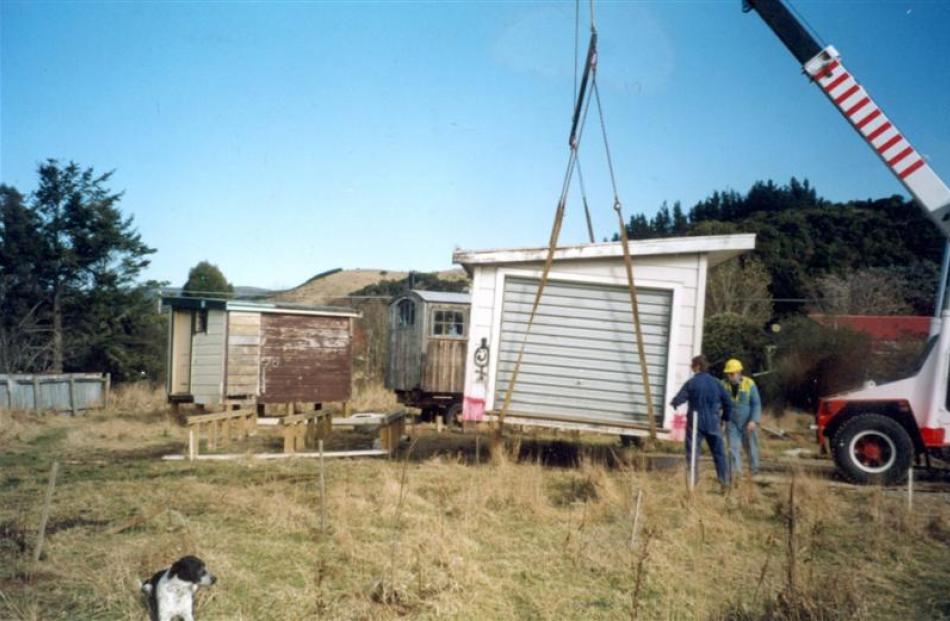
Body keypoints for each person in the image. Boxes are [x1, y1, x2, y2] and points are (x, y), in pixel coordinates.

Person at [671, 355, 733, 488]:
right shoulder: (717, 383)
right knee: (719, 454)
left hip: (695, 422)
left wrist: (674, 403)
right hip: (713, 421)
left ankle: (693, 484)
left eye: (692, 364)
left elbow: (680, 398)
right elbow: (728, 402)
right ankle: (725, 483)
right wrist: (725, 418)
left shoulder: (691, 383)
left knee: (693, 453)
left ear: (698, 366)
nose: (690, 367)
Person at [721, 358, 762, 476]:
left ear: (739, 373)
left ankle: (754, 471)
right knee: (732, 447)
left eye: (732, 374)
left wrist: (754, 420)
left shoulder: (749, 383)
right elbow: (719, 403)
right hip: (731, 422)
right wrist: (722, 420)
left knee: (750, 446)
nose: (730, 376)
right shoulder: (723, 384)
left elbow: (756, 403)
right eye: (728, 374)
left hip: (747, 422)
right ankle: (736, 473)